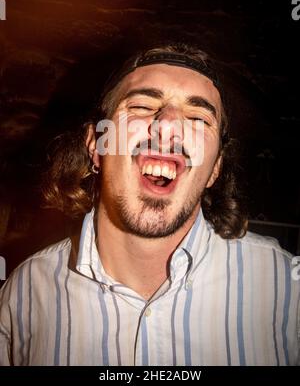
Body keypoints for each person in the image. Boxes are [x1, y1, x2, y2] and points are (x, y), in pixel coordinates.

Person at [0, 43, 299, 366]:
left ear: (215, 169)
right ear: (97, 146)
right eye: (142, 106)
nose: (169, 124)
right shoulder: (27, 291)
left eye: (198, 117)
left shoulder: (286, 287)